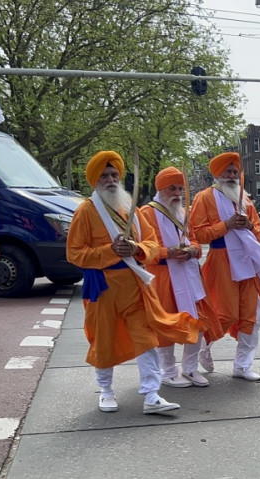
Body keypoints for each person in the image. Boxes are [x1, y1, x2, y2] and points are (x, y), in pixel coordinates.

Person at [66, 151, 200, 414]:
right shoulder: (85, 211)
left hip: (135, 284)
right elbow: (74, 253)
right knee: (104, 340)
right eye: (104, 175)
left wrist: (136, 249)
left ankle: (151, 395)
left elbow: (150, 243)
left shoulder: (132, 210)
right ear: (95, 180)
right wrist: (110, 251)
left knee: (146, 338)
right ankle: (105, 390)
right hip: (103, 287)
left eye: (114, 174)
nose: (111, 179)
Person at [190, 152, 260, 382]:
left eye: (235, 172)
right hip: (222, 259)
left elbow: (258, 233)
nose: (232, 176)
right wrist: (225, 225)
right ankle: (204, 348)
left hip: (249, 262)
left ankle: (242, 365)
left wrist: (247, 224)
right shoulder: (204, 198)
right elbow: (198, 233)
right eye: (227, 172)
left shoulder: (245, 200)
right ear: (218, 174)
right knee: (223, 314)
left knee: (250, 315)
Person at [140, 167, 223, 388]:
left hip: (189, 274)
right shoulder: (146, 213)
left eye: (179, 189)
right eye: (172, 188)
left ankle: (190, 368)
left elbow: (194, 239)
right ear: (161, 189)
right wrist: (168, 253)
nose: (176, 193)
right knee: (167, 324)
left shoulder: (183, 213)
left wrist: (193, 250)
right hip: (163, 277)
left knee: (197, 320)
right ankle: (168, 371)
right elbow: (143, 249)